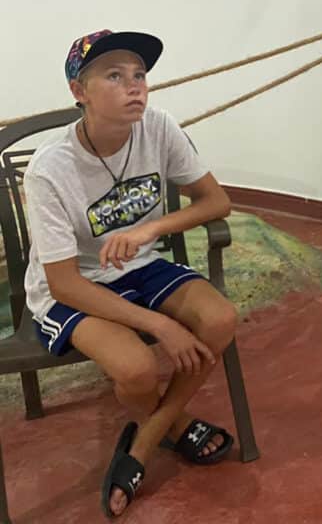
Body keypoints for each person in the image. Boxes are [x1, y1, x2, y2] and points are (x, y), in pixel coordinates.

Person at [23, 30, 240, 519]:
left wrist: (153, 229)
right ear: (79, 91)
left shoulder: (158, 127)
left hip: (139, 265)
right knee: (137, 369)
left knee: (221, 319)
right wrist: (160, 325)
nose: (135, 87)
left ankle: (141, 445)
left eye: (140, 75)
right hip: (74, 286)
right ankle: (178, 426)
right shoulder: (49, 170)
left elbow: (217, 201)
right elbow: (62, 283)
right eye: (115, 76)